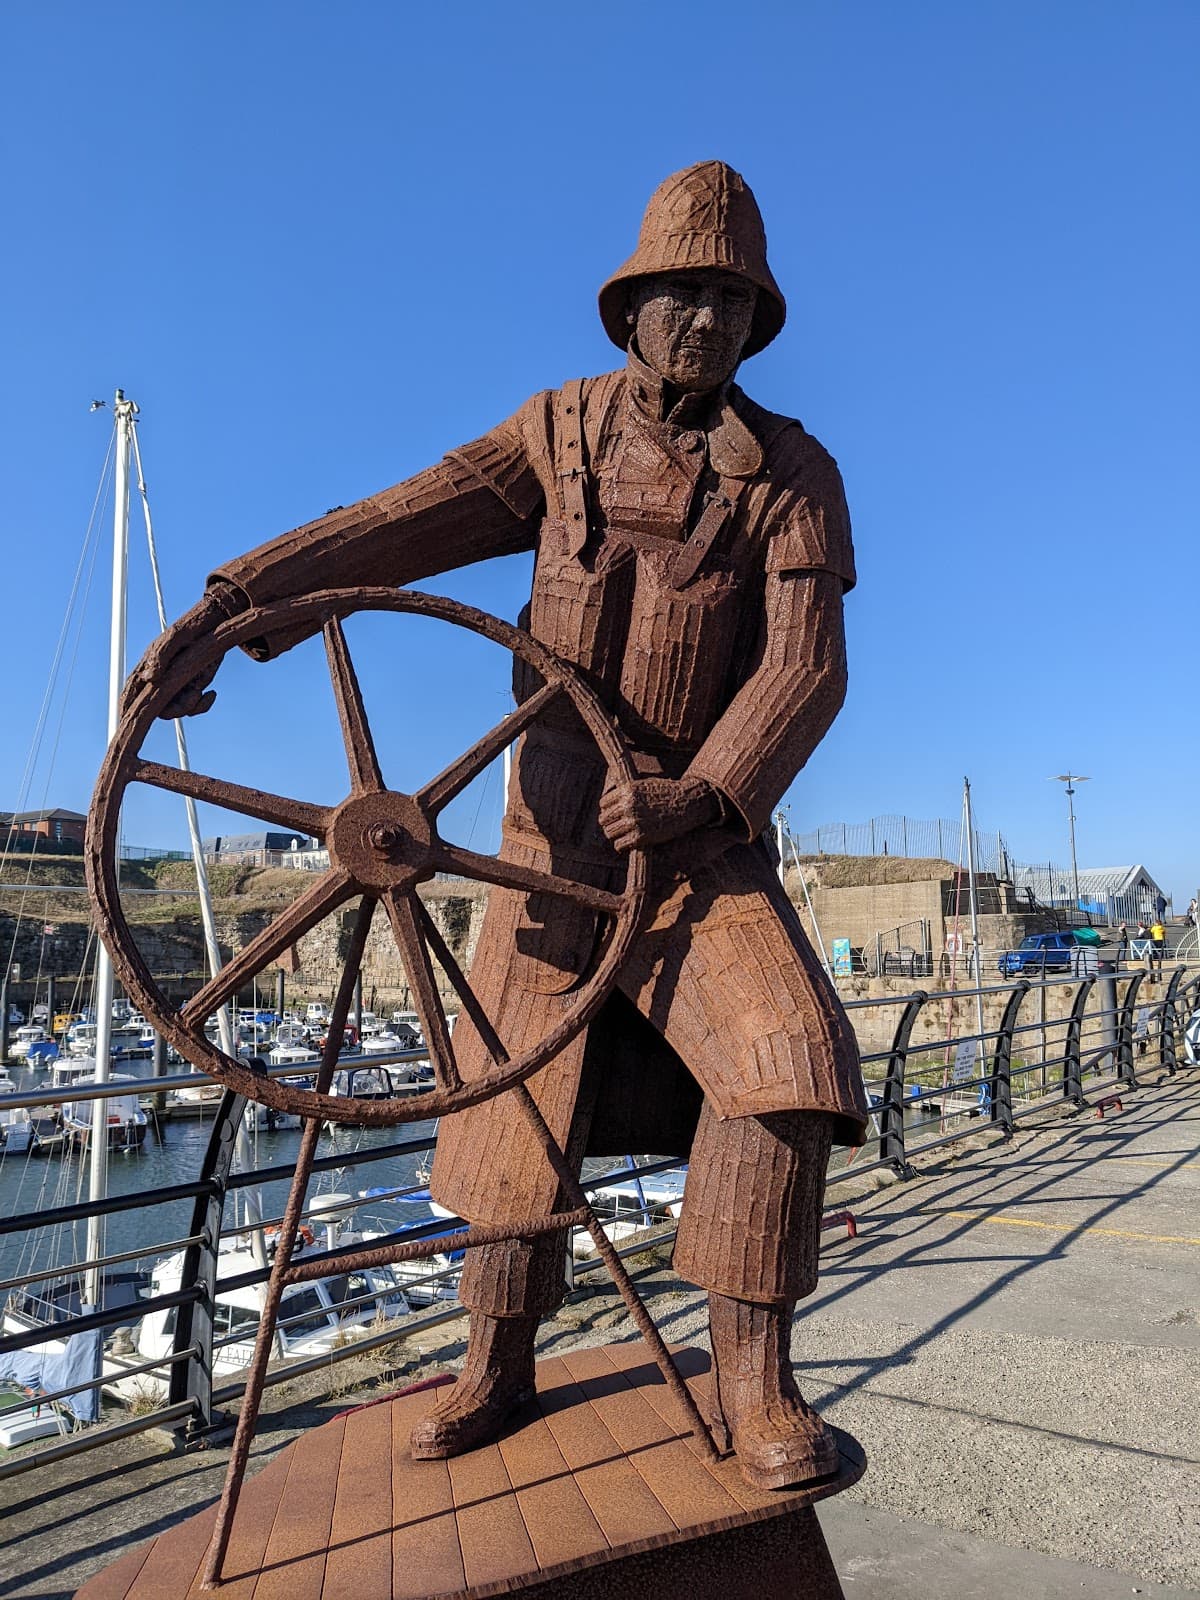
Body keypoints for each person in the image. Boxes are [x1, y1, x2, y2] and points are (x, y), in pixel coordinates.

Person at [142, 162, 868, 1490]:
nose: (703, 318)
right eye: (679, 294)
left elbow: (804, 670)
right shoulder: (556, 435)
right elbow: (394, 529)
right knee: (517, 1103)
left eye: (729, 297)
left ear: (755, 320)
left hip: (699, 855)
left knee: (787, 1062)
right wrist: (228, 609)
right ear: (630, 311)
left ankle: (755, 1385)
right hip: (543, 855)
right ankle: (495, 1362)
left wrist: (705, 794)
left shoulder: (794, 477)